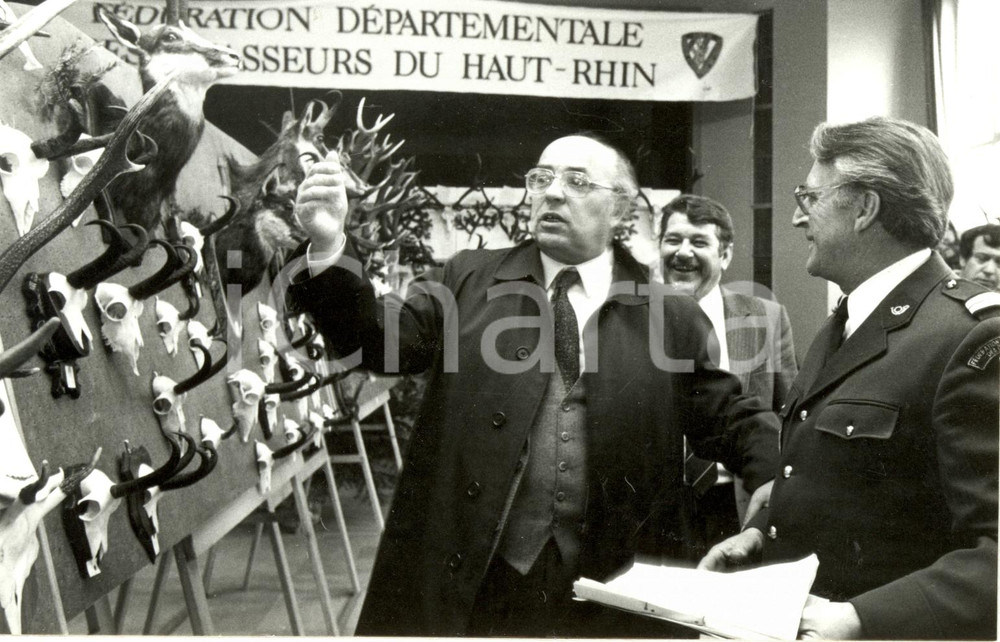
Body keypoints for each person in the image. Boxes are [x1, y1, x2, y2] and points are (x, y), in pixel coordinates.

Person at [285, 134, 780, 637]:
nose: (553, 192)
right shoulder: (466, 280)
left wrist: (774, 474)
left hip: (610, 590)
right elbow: (378, 342)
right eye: (541, 178)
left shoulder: (670, 315)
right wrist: (329, 246)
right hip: (478, 576)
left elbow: (729, 416)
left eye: (577, 181)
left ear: (620, 209)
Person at [699, 116, 999, 640]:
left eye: (810, 197)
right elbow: (839, 480)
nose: (798, 216)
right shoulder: (850, 319)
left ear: (865, 208)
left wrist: (862, 619)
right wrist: (760, 534)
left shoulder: (971, 337)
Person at [659, 194, 797, 552]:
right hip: (659, 508)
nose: (683, 252)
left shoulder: (766, 317)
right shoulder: (632, 317)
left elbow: (790, 417)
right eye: (673, 240)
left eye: (699, 242)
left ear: (725, 255)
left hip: (736, 504)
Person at [957, 221, 1000, 291]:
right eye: (982, 259)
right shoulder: (938, 289)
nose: (989, 270)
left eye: (999, 263)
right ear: (963, 259)